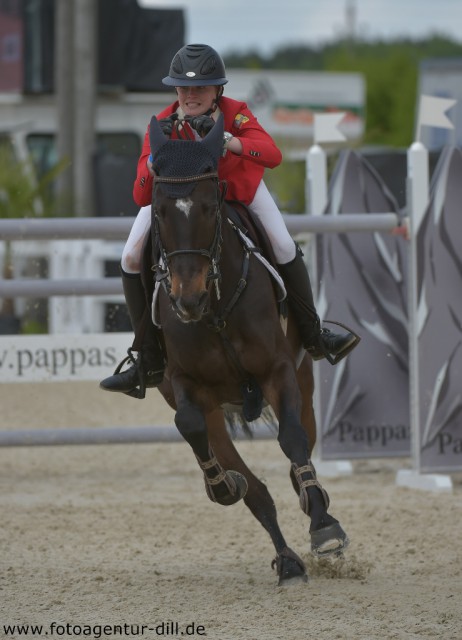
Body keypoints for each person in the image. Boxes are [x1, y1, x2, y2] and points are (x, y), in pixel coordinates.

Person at [100, 43, 358, 397]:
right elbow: (141, 196)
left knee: (283, 244)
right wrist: (151, 164)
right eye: (184, 88)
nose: (191, 96)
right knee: (130, 256)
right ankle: (145, 356)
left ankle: (314, 333)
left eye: (200, 89)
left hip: (239, 190)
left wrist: (231, 142)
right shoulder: (161, 125)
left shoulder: (236, 113)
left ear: (217, 90)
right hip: (180, 203)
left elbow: (272, 154)